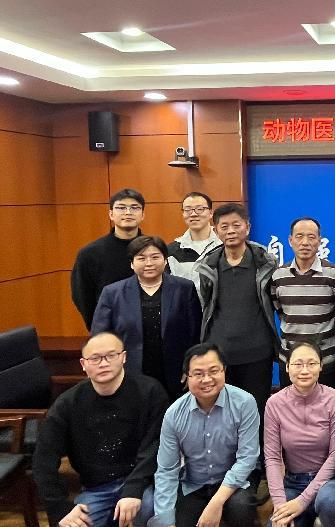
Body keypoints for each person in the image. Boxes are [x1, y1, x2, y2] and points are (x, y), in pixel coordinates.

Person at [33, 332, 169, 527]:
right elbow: (43, 459)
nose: (103, 363)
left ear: (123, 357)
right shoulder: (67, 404)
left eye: (111, 355)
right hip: (96, 488)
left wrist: (133, 489)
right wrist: (60, 509)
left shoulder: (150, 392)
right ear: (83, 364)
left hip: (143, 482)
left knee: (152, 512)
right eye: (95, 358)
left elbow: (155, 447)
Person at [150, 343, 260, 527]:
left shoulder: (244, 403)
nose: (207, 379)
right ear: (186, 376)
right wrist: (165, 520)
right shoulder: (174, 414)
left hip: (237, 482)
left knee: (240, 506)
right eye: (198, 374)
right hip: (195, 484)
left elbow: (247, 457)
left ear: (224, 370)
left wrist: (216, 503)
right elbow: (167, 470)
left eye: (214, 371)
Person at [197, 203, 279, 432]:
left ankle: (256, 454)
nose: (231, 231)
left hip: (257, 352)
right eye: (224, 227)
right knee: (222, 414)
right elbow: (206, 305)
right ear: (216, 230)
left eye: (236, 225)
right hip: (219, 354)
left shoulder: (265, 263)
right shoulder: (209, 265)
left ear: (247, 227)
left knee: (256, 411)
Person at [91, 236, 202, 399]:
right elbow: (100, 336)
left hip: (174, 372)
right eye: (141, 258)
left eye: (155, 257)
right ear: (132, 263)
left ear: (165, 260)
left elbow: (195, 333)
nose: (149, 263)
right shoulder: (113, 293)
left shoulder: (184, 289)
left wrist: (192, 366)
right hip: (128, 372)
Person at [263, 341, 335, 527]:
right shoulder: (274, 403)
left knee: (330, 503)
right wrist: (279, 506)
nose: (304, 370)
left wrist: (303, 501)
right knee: (277, 524)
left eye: (311, 363)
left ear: (321, 366)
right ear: (287, 367)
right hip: (294, 483)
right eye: (297, 364)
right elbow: (272, 458)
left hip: (331, 481)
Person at [270, 217, 335, 389]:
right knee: (290, 405)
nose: (305, 242)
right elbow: (280, 311)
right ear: (290, 240)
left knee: (328, 404)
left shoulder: (333, 274)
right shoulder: (278, 276)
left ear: (319, 241)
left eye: (311, 237)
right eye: (299, 236)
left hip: (325, 361)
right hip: (291, 361)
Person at [72, 188, 146, 330]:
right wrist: (100, 326)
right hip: (109, 328)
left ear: (142, 215)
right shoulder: (89, 253)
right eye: (121, 208)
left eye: (134, 208)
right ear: (111, 214)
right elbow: (82, 296)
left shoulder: (154, 251)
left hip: (151, 327)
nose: (128, 212)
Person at [167, 192, 222, 291]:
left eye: (200, 209)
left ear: (211, 213)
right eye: (187, 210)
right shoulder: (172, 250)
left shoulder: (224, 244)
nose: (193, 214)